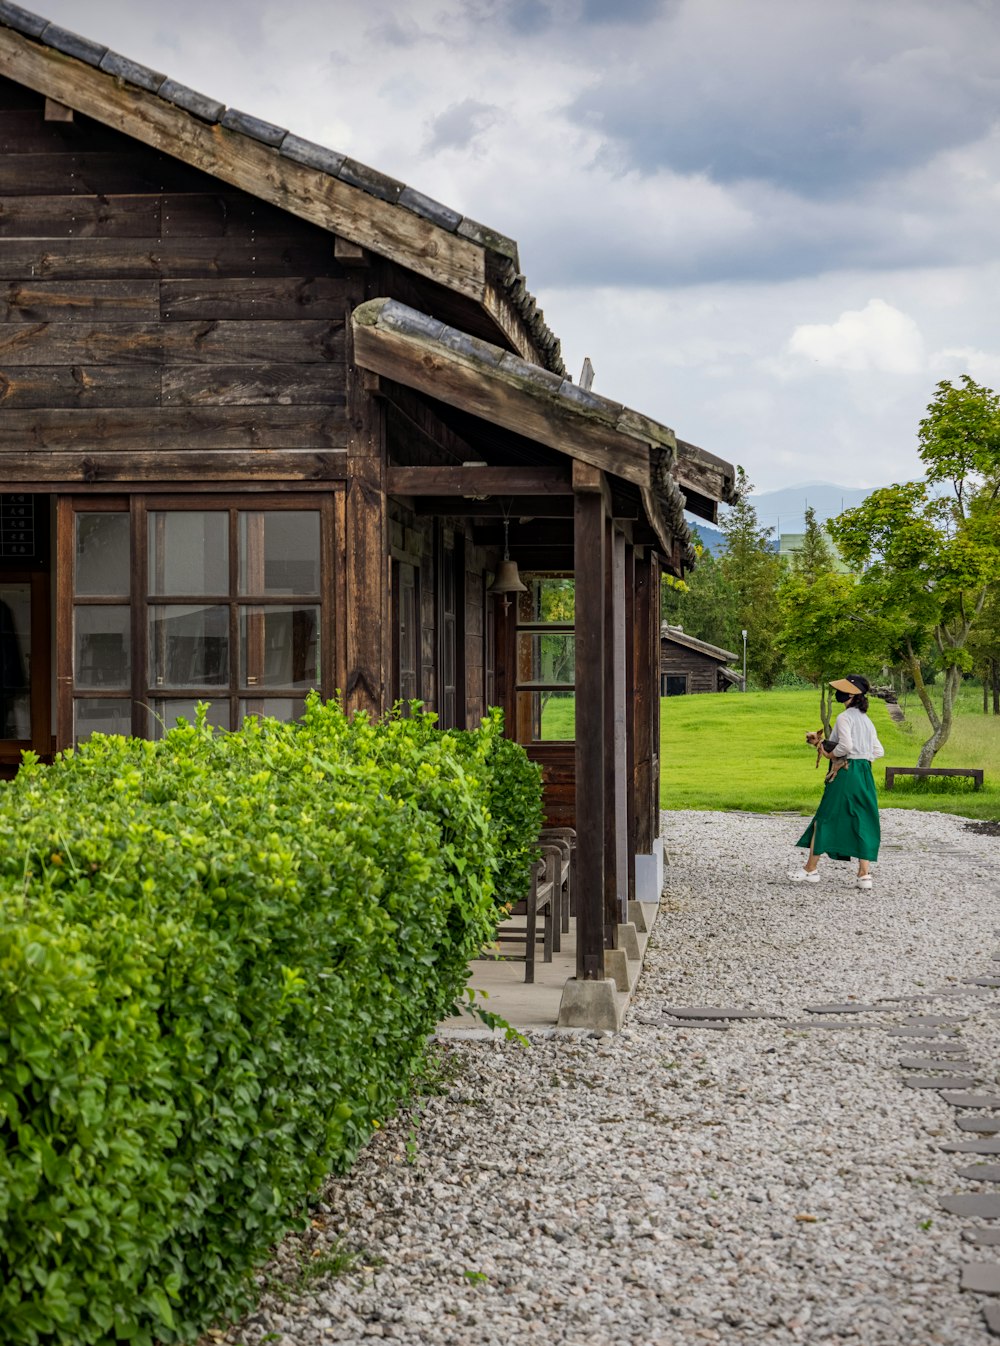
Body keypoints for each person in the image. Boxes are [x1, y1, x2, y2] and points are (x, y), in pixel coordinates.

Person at [789, 674, 884, 890]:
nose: (837, 693)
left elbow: (846, 746)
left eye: (842, 690)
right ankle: (864, 875)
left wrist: (832, 756)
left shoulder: (845, 717)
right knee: (862, 818)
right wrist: (863, 757)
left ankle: (810, 870)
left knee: (825, 816)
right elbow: (879, 751)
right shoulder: (867, 720)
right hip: (864, 772)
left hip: (846, 771)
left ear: (851, 694)